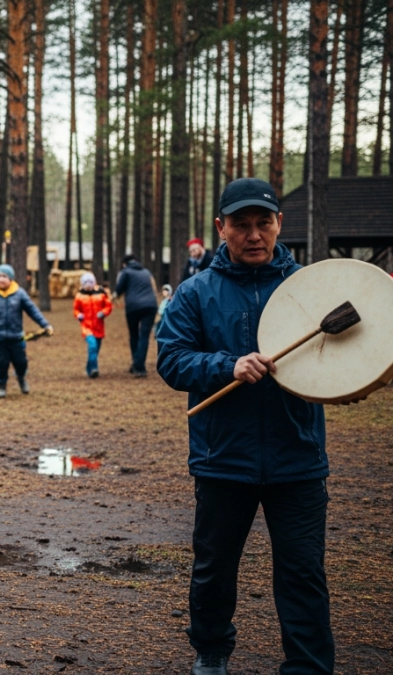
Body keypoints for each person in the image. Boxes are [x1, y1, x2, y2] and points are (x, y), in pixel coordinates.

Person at [156, 178, 333, 675]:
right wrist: (226, 366)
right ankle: (211, 649)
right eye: (241, 224)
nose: (254, 234)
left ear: (280, 224)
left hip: (298, 458)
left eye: (264, 222)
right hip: (222, 459)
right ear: (221, 228)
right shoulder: (194, 293)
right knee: (214, 569)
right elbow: (171, 360)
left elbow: (347, 354)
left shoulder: (309, 290)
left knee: (303, 574)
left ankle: (308, 667)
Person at [0, 264, 53, 399]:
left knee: (21, 363)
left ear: (10, 278)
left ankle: (21, 378)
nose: (0, 279)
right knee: (2, 363)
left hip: (16, 336)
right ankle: (1, 386)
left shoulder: (20, 293)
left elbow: (32, 310)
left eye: (4, 276)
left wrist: (45, 324)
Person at [115, 254, 159, 377]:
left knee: (134, 335)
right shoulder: (146, 272)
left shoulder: (126, 271)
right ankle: (138, 364)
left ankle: (138, 366)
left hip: (133, 307)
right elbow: (153, 287)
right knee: (144, 336)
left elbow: (118, 289)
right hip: (151, 305)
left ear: (125, 263)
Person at [72, 272, 112, 378]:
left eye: (90, 282)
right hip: (86, 327)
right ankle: (94, 368)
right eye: (86, 282)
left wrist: (103, 312)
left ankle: (89, 367)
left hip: (99, 326)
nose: (89, 284)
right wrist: (78, 315)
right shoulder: (79, 296)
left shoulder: (101, 293)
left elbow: (108, 306)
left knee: (96, 348)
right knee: (92, 345)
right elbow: (76, 309)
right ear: (82, 284)